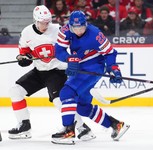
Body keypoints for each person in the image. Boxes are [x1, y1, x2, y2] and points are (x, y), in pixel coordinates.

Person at [8, 5, 95, 141]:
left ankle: (83, 128)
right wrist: (23, 59)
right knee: (15, 91)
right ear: (35, 20)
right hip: (39, 71)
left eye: (48, 22)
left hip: (57, 71)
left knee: (60, 101)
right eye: (43, 22)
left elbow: (74, 45)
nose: (46, 25)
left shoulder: (59, 30)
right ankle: (24, 126)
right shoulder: (26, 32)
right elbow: (24, 53)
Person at [51, 10, 130, 145]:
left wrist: (113, 69)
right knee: (82, 106)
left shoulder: (95, 34)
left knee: (67, 93)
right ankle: (115, 124)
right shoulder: (64, 31)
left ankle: (68, 132)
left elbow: (110, 53)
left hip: (94, 66)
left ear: (86, 24)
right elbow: (58, 51)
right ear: (70, 26)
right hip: (80, 67)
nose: (79, 30)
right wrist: (69, 58)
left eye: (81, 27)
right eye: (75, 27)